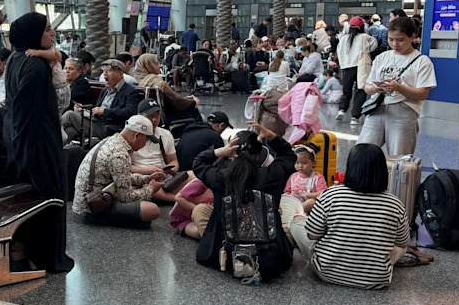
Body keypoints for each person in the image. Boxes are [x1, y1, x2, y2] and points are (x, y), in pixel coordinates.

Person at [3, 11, 74, 272]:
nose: (52, 33)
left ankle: (22, 249)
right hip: (39, 145)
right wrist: (31, 152)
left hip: (22, 141)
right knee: (48, 197)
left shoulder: (15, 59)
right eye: (46, 29)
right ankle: (42, 256)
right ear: (34, 34)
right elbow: (30, 112)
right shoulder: (35, 67)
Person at [288, 144, 409, 290]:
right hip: (376, 279)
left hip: (327, 272)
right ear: (383, 170)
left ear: (350, 167)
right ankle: (373, 264)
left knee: (296, 222)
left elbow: (312, 235)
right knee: (400, 245)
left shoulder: (331, 194)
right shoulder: (395, 203)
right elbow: (402, 243)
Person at [190, 122, 296, 261]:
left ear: (232, 152)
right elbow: (289, 156)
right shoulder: (272, 176)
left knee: (201, 210)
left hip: (224, 254)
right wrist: (272, 136)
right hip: (268, 256)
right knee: (290, 229)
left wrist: (220, 152)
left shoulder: (220, 177)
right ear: (259, 154)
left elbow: (198, 163)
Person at [358, 16, 437, 157]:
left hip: (404, 112)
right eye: (391, 39)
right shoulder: (382, 57)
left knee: (399, 158)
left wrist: (398, 87)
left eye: (400, 40)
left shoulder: (422, 61)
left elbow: (423, 94)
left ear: (412, 37)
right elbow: (367, 86)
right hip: (377, 108)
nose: (395, 44)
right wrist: (376, 88)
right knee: (363, 153)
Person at [72, 115, 163, 225]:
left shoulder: (113, 140)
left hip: (90, 197)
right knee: (152, 210)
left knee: (138, 191)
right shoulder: (119, 154)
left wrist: (147, 179)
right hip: (93, 205)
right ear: (137, 135)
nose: (145, 144)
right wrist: (151, 190)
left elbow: (123, 177)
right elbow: (125, 196)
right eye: (146, 140)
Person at [61, 58, 139, 143]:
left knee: (69, 115)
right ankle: (58, 150)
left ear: (120, 73)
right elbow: (95, 108)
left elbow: (130, 112)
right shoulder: (105, 90)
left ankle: (51, 132)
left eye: (109, 71)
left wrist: (105, 112)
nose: (104, 74)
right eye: (104, 71)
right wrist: (83, 109)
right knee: (70, 131)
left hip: (108, 126)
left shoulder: (130, 91)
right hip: (94, 121)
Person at [130, 100, 187, 202]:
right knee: (148, 186)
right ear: (139, 116)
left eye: (157, 115)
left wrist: (172, 169)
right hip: (142, 176)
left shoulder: (165, 134)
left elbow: (173, 160)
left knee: (194, 176)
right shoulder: (132, 136)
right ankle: (179, 200)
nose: (154, 120)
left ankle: (180, 198)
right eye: (150, 116)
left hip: (164, 175)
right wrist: (148, 170)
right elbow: (126, 167)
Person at [335, 15, 377, 126]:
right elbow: (373, 46)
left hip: (347, 67)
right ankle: (355, 117)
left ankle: (342, 110)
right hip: (361, 66)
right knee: (360, 91)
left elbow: (339, 52)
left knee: (346, 90)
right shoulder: (365, 37)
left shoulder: (343, 38)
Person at [134, 53, 200, 122]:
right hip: (168, 117)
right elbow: (176, 101)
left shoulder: (134, 83)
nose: (160, 66)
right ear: (149, 65)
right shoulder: (158, 83)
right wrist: (192, 101)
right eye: (156, 64)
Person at [281, 142, 328, 218]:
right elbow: (287, 191)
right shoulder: (293, 176)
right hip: (293, 203)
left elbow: (323, 193)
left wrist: (307, 195)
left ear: (313, 163)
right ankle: (294, 213)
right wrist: (286, 197)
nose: (300, 166)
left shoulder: (317, 177)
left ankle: (295, 213)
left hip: (308, 207)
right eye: (297, 163)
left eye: (304, 163)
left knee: (311, 202)